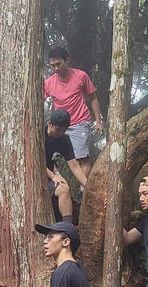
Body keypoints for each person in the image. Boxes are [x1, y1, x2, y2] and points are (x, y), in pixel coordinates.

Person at [44, 46, 103, 181]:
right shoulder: (48, 83)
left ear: (67, 60)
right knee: (51, 157)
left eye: (58, 64)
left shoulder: (80, 76)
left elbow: (93, 98)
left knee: (81, 159)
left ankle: (83, 194)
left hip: (80, 122)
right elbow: (37, 100)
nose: (56, 68)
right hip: (59, 126)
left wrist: (98, 122)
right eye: (52, 66)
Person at [45, 109, 89, 224]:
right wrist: (54, 177)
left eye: (63, 130)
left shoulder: (64, 140)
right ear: (50, 124)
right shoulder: (39, 133)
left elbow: (75, 166)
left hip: (47, 177)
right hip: (32, 173)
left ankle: (68, 228)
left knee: (64, 189)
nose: (60, 133)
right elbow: (34, 161)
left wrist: (88, 186)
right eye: (58, 129)